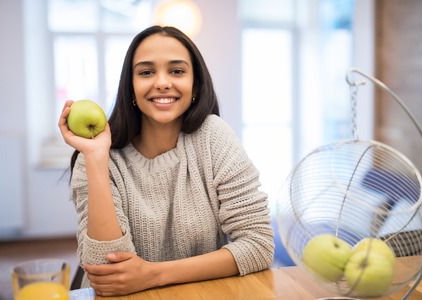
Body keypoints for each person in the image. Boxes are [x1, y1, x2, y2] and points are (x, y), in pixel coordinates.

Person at [58, 25, 274, 296]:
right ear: (131, 87)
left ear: (195, 85)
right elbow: (108, 273)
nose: (162, 82)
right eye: (146, 72)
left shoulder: (214, 137)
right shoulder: (96, 154)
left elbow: (258, 244)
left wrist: (153, 275)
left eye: (177, 71)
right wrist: (97, 159)